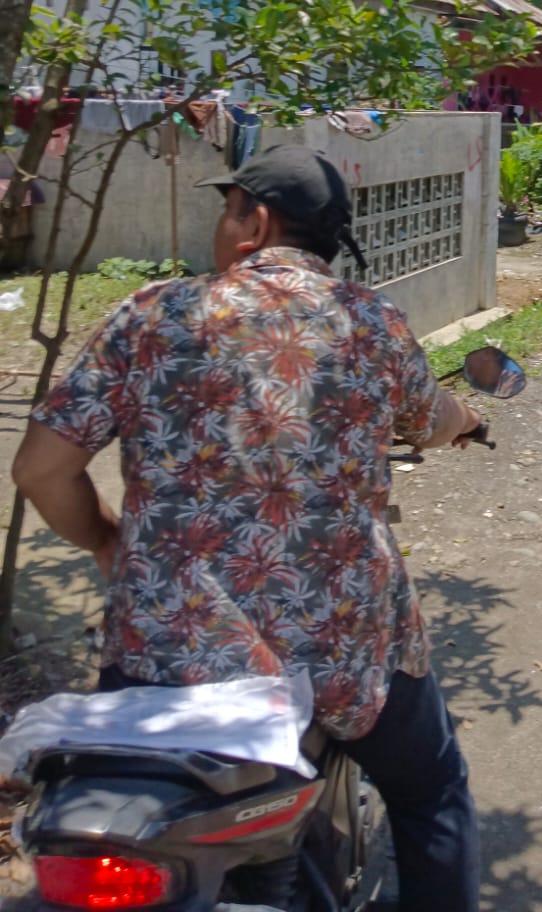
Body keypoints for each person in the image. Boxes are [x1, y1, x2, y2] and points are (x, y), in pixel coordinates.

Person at [12, 146, 484, 912]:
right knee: (432, 790)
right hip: (341, 657)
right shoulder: (372, 323)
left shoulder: (152, 316)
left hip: (167, 658)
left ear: (254, 223)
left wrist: (106, 541)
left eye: (224, 210)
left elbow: (39, 470)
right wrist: (467, 419)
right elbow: (433, 420)